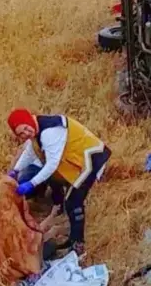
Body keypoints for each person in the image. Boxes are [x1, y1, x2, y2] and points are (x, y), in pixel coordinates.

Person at [6, 108, 111, 259]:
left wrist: (31, 183)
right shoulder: (37, 131)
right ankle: (71, 238)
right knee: (59, 186)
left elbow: (51, 164)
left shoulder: (49, 131)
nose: (25, 134)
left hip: (90, 159)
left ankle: (79, 247)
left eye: (25, 129)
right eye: (21, 134)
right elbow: (30, 152)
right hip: (76, 161)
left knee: (73, 202)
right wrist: (15, 171)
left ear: (28, 120)